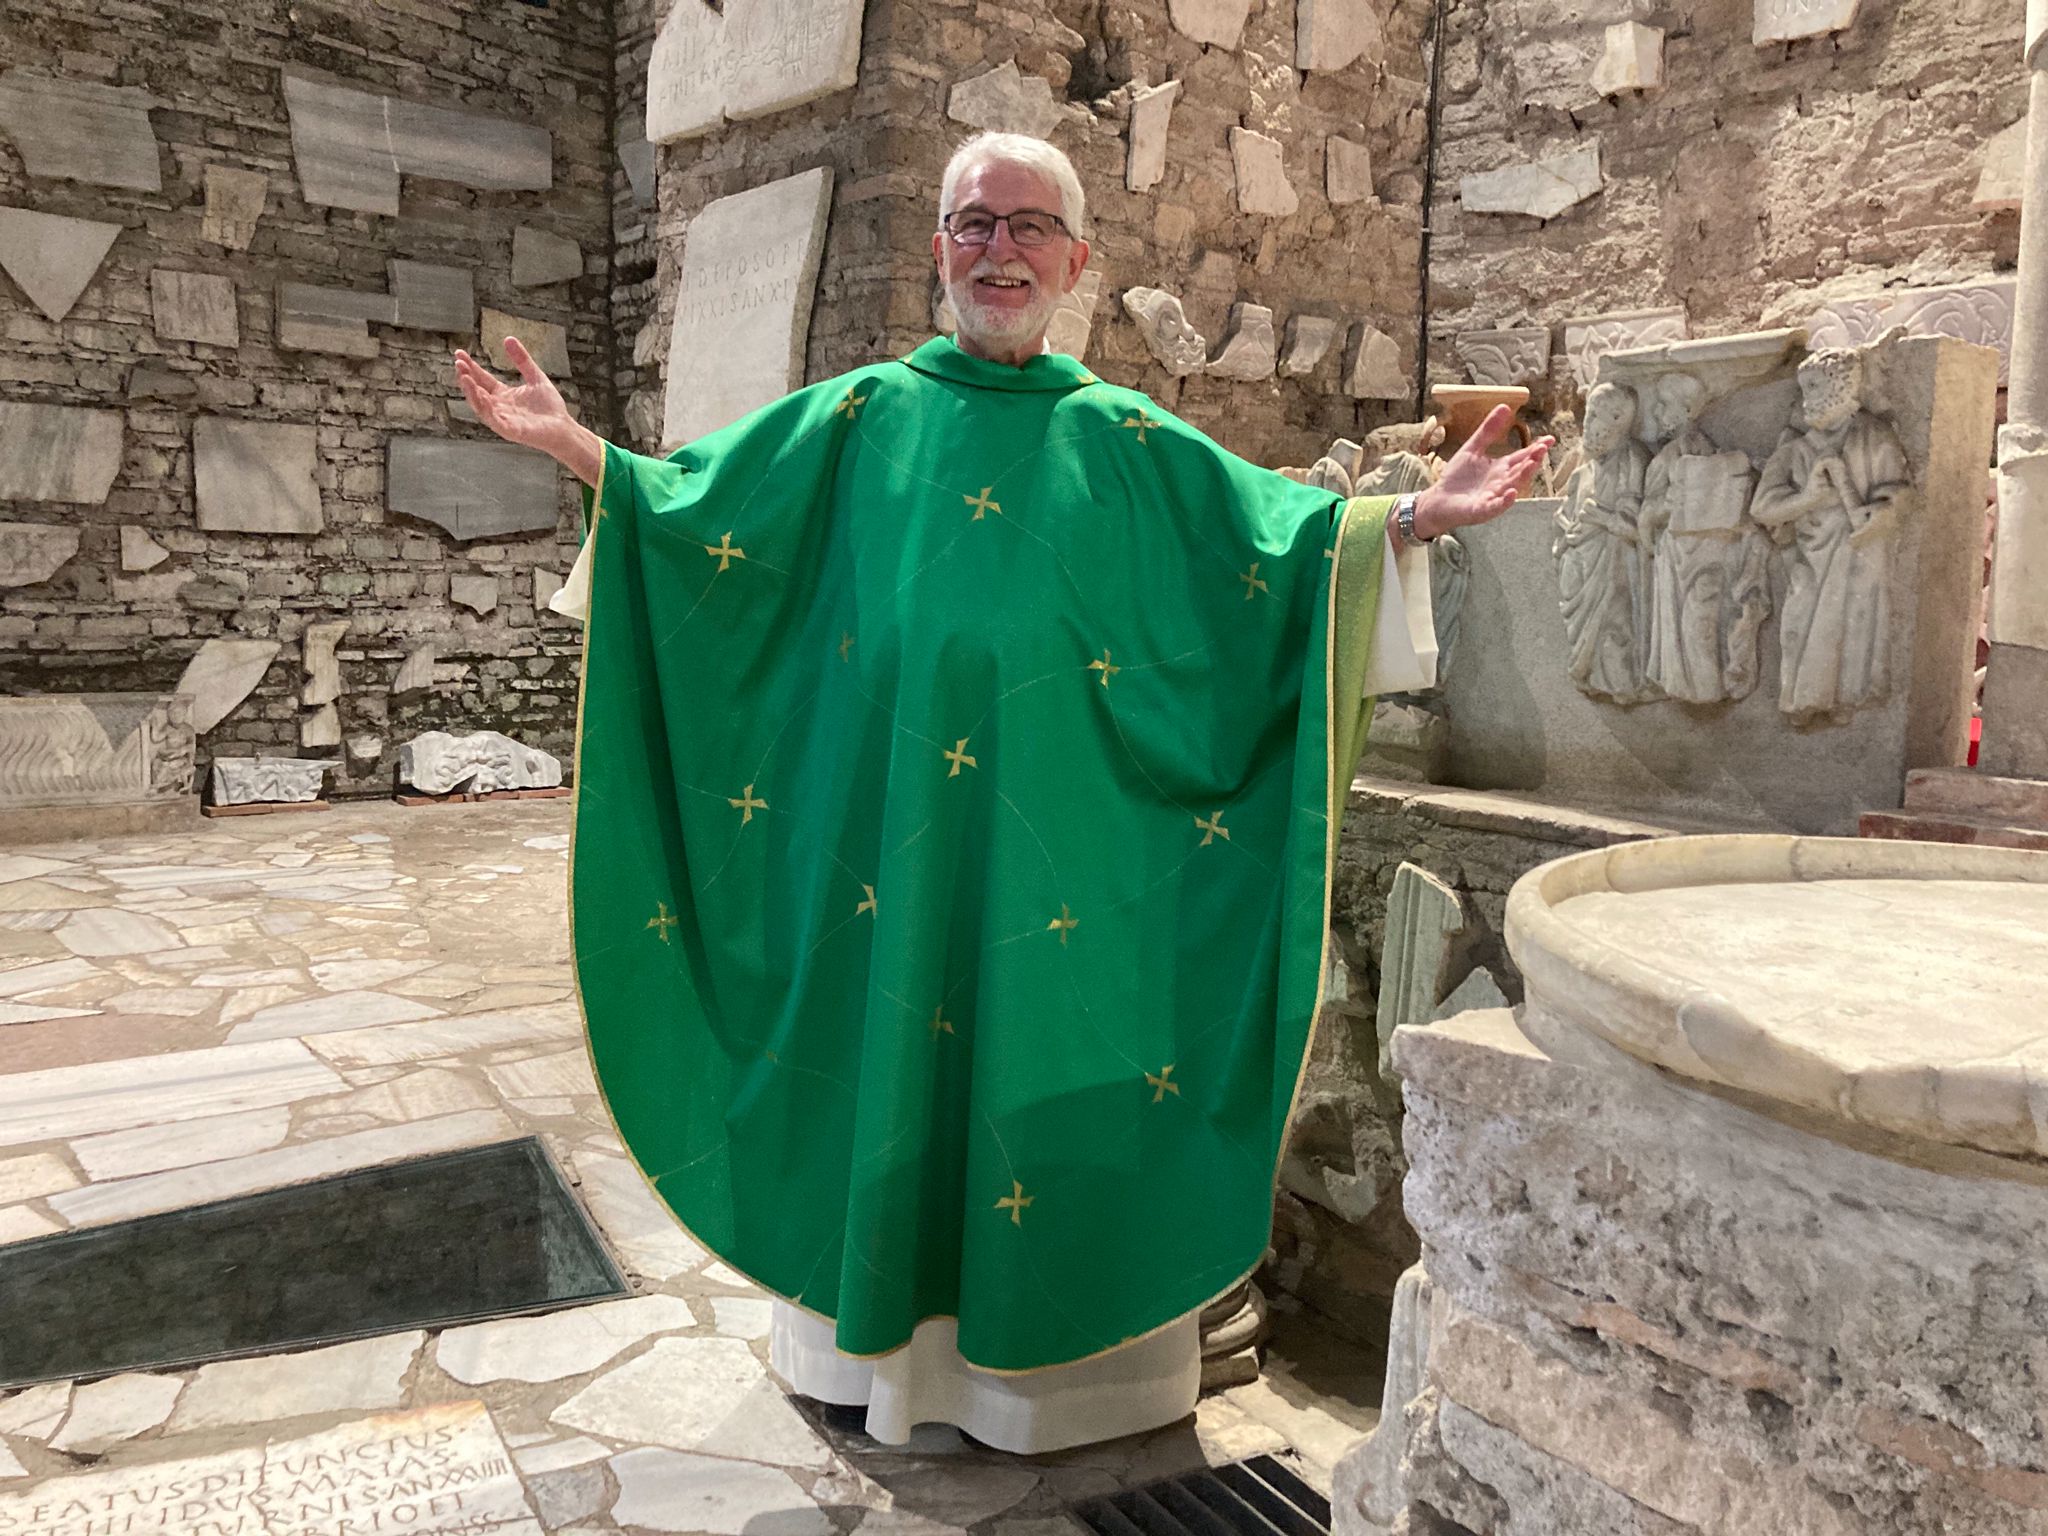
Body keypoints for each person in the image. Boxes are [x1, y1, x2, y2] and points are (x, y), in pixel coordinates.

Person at [453, 132, 1551, 1454]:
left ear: (1078, 263)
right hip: (888, 858)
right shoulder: (855, 419)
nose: (1000, 250)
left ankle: (1058, 1391)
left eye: (1031, 227)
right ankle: (880, 1361)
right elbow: (700, 514)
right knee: (890, 1058)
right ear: (939, 251)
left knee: (1053, 1062)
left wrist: (1415, 518)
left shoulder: (1129, 441)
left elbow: (1280, 545)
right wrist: (580, 449)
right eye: (974, 224)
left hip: (1070, 859)